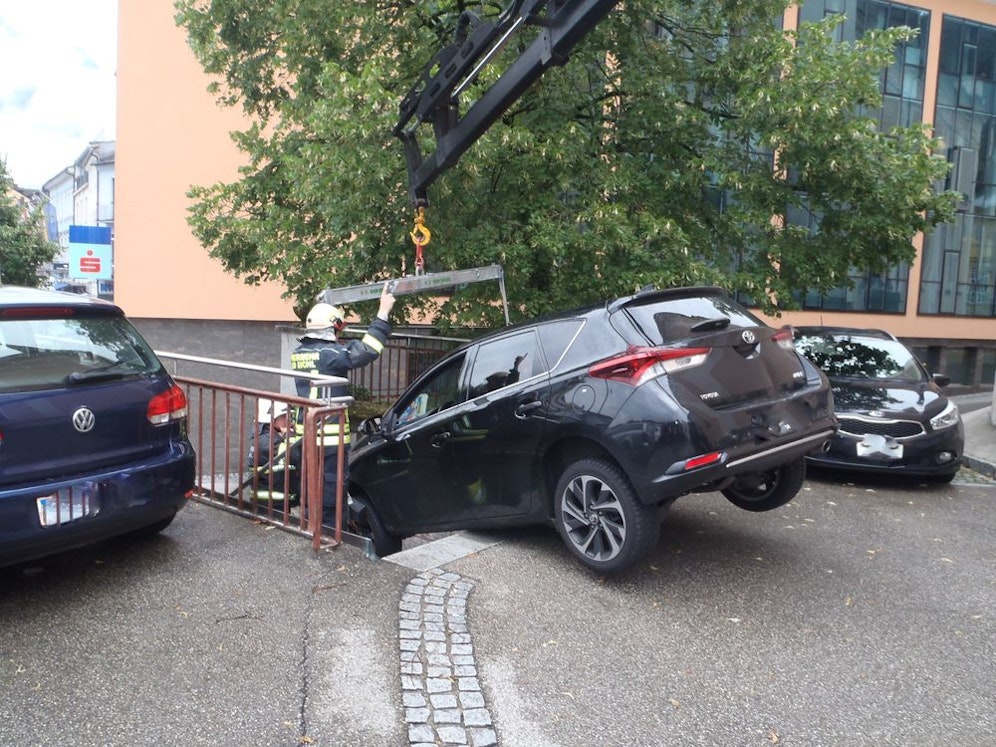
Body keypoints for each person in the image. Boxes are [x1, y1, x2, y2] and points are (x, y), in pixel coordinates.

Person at [289, 284, 396, 523]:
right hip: (329, 438)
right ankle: (328, 531)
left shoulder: (299, 352)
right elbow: (368, 350)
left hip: (305, 435)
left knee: (309, 484)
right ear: (333, 329)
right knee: (331, 488)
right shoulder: (329, 354)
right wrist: (383, 313)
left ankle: (309, 524)